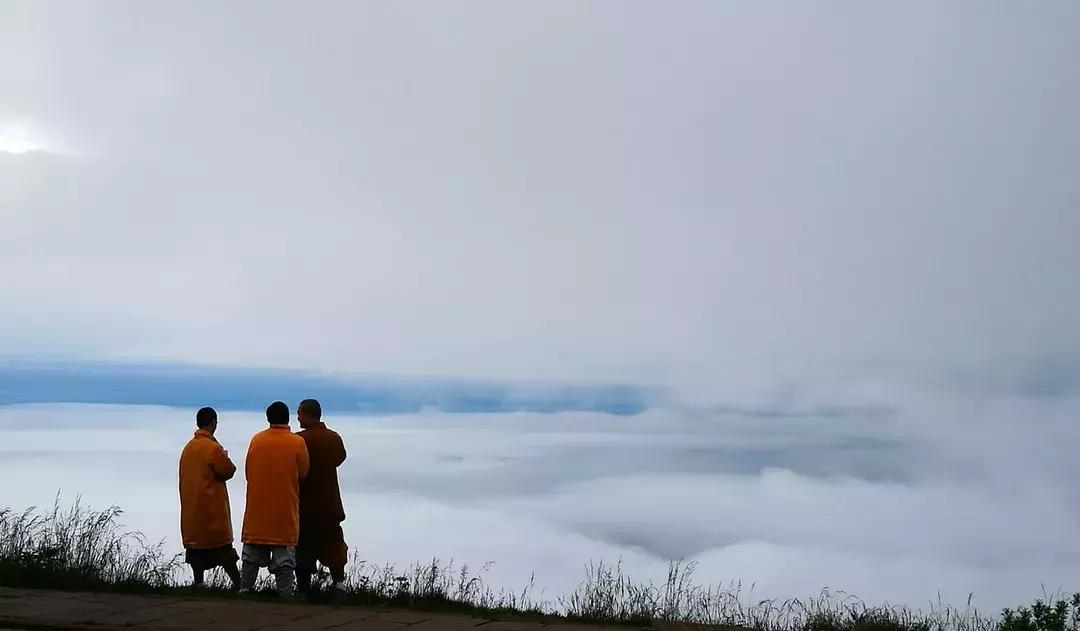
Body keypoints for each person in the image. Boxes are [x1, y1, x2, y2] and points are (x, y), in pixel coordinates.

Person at [239, 401, 310, 595]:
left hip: (257, 509)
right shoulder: (297, 442)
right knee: (284, 557)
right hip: (284, 508)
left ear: (268, 418)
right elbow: (303, 473)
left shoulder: (257, 440)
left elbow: (248, 471)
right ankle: (285, 593)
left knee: (251, 555)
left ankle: (245, 589)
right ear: (287, 418)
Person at [178, 406, 241, 590]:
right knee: (223, 549)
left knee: (196, 550)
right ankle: (239, 584)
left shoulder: (188, 447)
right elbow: (228, 470)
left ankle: (198, 582)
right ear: (213, 423)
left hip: (192, 506)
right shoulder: (212, 447)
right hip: (211, 508)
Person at [295, 399, 349, 593]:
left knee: (302, 548)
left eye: (300, 413)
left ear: (308, 414)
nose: (298, 417)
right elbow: (340, 458)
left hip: (305, 506)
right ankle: (339, 583)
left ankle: (303, 589)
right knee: (333, 545)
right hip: (329, 505)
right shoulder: (333, 438)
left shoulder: (299, 440)